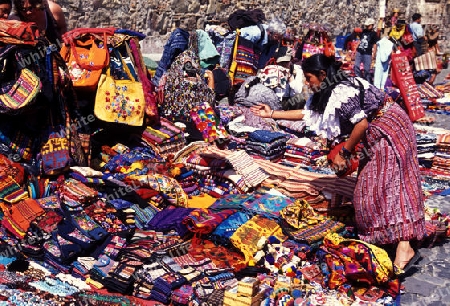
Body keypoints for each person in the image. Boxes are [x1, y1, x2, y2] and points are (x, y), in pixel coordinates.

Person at [250, 54, 425, 275]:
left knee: (389, 185)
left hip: (390, 130)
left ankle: (404, 247)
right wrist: (272, 113)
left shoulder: (343, 90)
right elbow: (308, 115)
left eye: (309, 77)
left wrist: (344, 152)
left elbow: (360, 123)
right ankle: (390, 238)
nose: (306, 82)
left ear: (322, 75)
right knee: (369, 188)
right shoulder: (325, 92)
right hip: (375, 134)